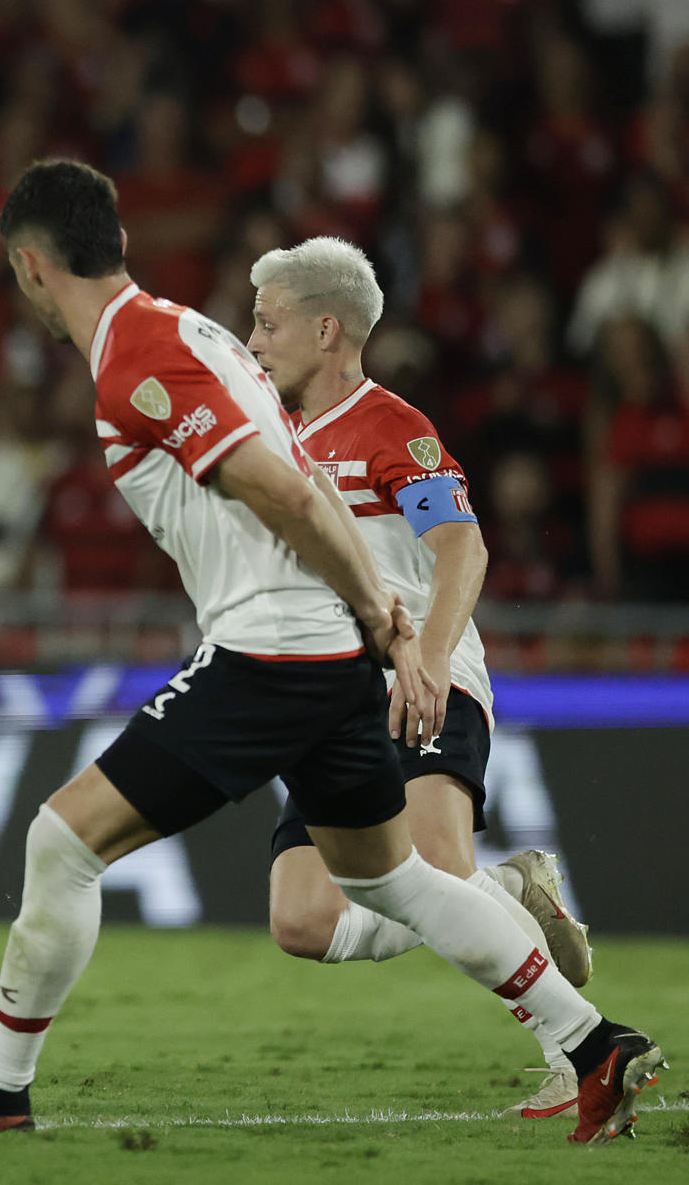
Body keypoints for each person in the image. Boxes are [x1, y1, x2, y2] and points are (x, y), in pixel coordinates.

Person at [0, 159, 663, 1144]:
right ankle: (594, 1043)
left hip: (274, 650)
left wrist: (386, 613)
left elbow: (284, 492)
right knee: (387, 882)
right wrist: (373, 622)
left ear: (30, 266)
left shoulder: (143, 355)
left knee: (61, 841)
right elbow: (304, 480)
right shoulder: (194, 332)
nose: (260, 328)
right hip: (328, 652)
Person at [247, 236, 594, 1119]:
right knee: (301, 921)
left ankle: (576, 1050)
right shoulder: (268, 438)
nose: (252, 341)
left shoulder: (393, 428)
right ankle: (507, 892)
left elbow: (462, 545)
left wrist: (430, 657)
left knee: (436, 862)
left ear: (327, 330)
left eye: (268, 322)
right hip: (327, 697)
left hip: (415, 676)